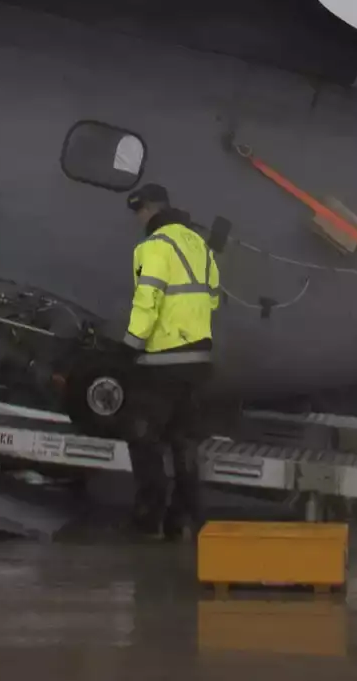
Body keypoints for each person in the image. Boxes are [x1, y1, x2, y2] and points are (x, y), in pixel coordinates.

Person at [119, 181, 220, 540]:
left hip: (163, 362)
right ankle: (185, 517)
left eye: (140, 211)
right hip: (198, 360)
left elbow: (147, 300)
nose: (139, 219)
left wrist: (130, 346)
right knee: (183, 442)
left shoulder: (155, 247)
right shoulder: (199, 244)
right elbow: (211, 299)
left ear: (150, 209)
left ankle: (149, 516)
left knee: (142, 437)